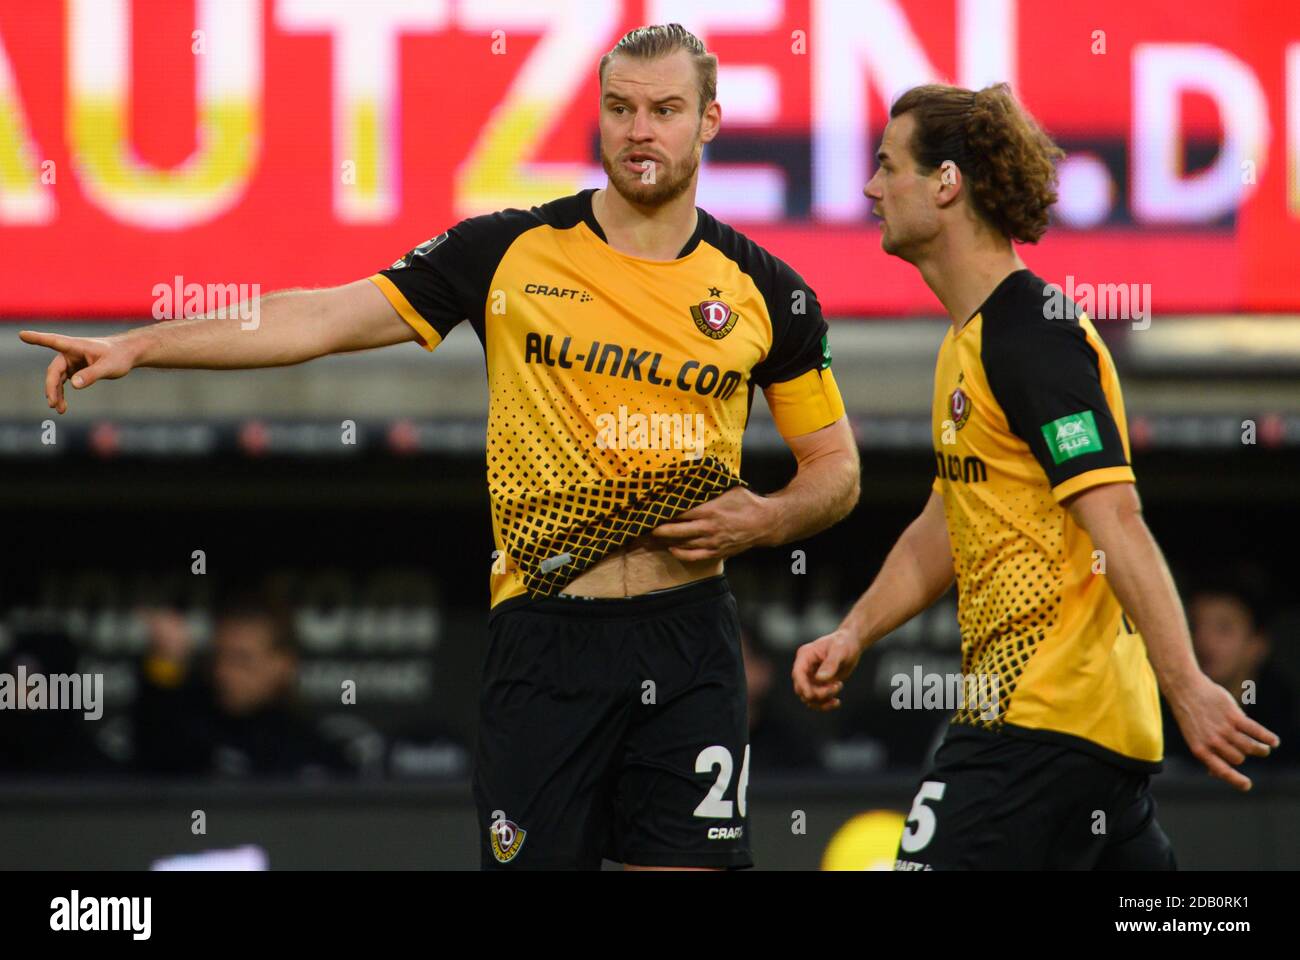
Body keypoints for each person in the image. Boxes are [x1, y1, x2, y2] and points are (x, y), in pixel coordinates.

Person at [22, 24, 860, 870]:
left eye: (666, 110)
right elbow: (320, 315)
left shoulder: (768, 291)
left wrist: (766, 520)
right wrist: (142, 344)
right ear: (600, 117)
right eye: (621, 108)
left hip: (688, 642)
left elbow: (837, 471)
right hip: (545, 640)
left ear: (711, 120)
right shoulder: (506, 251)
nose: (640, 130)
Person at [791, 82, 1279, 870]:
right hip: (1080, 739)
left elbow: (1115, 517)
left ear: (946, 183)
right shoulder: (968, 341)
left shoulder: (1031, 337)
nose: (872, 188)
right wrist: (855, 631)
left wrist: (1184, 681)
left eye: (888, 167)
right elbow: (948, 518)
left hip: (1038, 727)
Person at [133, 595, 350, 779]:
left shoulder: (313, 755)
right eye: (219, 658)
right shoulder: (191, 735)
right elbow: (154, 753)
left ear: (283, 665)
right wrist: (164, 665)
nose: (223, 672)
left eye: (241, 660)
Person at [1162, 577, 1300, 770]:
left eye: (1223, 629)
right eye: (1193, 627)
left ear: (1256, 645)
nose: (1204, 641)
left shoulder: (1265, 700)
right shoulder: (1165, 705)